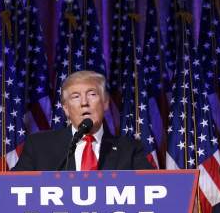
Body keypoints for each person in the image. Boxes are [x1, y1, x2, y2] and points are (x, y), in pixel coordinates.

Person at [12, 70, 153, 171]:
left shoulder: (129, 150)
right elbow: (11, 187)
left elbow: (152, 188)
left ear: (105, 103)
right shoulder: (39, 147)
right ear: (66, 108)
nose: (84, 102)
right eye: (75, 96)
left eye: (92, 94)